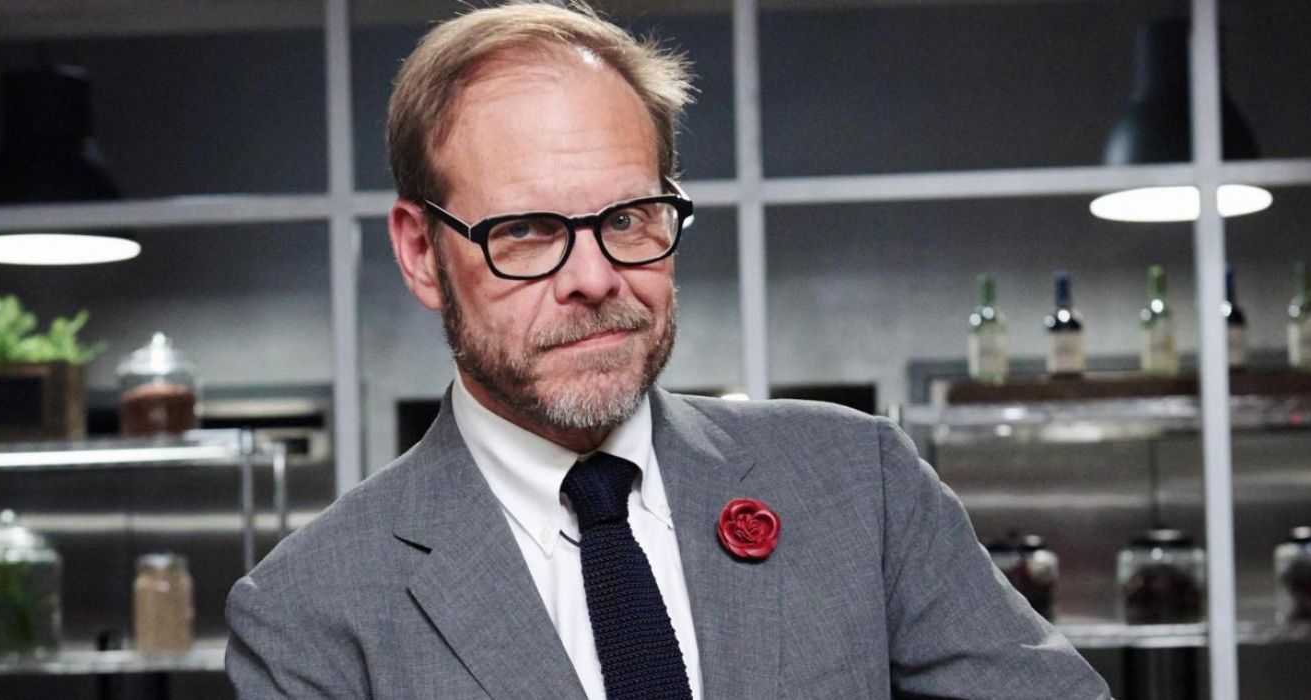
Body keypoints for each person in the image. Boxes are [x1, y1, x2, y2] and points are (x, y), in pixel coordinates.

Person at [225, 3, 1111, 698]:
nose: (595, 277)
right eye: (527, 231)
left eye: (627, 217)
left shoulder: (857, 483)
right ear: (422, 253)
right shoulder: (309, 612)